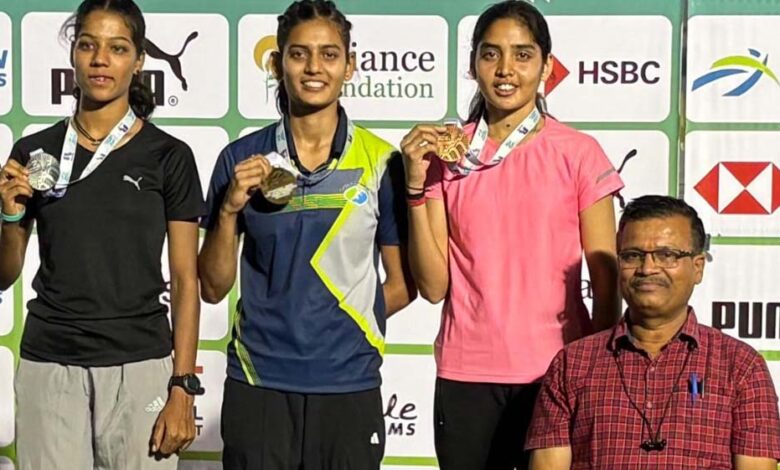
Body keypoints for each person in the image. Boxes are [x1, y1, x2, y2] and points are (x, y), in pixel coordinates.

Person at [400, 1, 624, 468]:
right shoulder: (447, 153)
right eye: (491, 54)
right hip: (466, 374)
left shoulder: (579, 153)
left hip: (557, 372)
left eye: (522, 55)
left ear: (546, 66)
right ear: (473, 64)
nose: (505, 70)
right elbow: (434, 287)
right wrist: (415, 187)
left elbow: (607, 284)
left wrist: (598, 373)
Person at [197, 1, 415, 468]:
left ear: (350, 66)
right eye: (299, 54)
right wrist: (230, 209)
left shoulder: (382, 162)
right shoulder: (240, 158)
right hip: (258, 381)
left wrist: (342, 323)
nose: (314, 67)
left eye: (329, 54)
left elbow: (402, 284)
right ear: (277, 64)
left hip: (348, 383)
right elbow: (212, 288)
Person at [0, 0, 205, 468]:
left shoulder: (169, 156)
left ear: (138, 61)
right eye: (88, 45)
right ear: (73, 54)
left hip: (140, 365)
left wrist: (182, 385)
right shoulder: (34, 152)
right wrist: (9, 219)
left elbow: (185, 279)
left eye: (117, 48)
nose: (100, 60)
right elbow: (4, 273)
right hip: (50, 363)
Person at [526, 195, 780, 469]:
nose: (647, 269)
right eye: (633, 256)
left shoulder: (741, 366)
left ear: (697, 267)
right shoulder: (572, 364)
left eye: (666, 255)